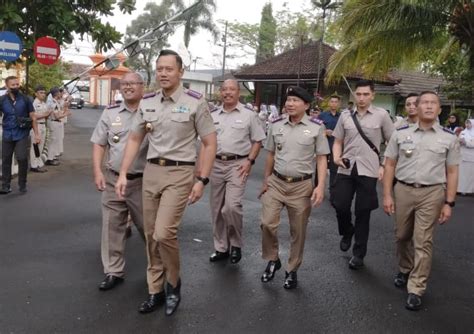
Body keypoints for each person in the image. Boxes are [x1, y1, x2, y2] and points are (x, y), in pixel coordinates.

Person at [115, 49, 217, 316]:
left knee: (164, 233)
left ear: (180, 71)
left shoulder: (196, 102)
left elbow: (209, 143)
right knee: (150, 235)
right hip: (151, 172)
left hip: (180, 173)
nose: (163, 73)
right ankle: (155, 290)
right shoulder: (148, 102)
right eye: (159, 68)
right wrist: (124, 173)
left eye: (168, 69)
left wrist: (202, 179)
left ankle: (173, 283)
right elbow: (135, 139)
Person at [383, 91, 460, 311]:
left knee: (423, 240)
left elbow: (452, 172)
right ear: (416, 107)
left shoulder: (448, 138)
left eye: (432, 103)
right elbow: (389, 165)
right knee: (401, 235)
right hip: (404, 190)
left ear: (439, 109)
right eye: (423, 102)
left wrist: (449, 202)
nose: (427, 106)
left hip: (432, 193)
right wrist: (387, 195)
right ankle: (405, 267)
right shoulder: (401, 133)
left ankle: (416, 287)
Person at [258, 86, 330, 289]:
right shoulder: (276, 124)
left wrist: (320, 186)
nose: (290, 104)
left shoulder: (317, 127)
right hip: (276, 182)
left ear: (306, 105)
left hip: (301, 187)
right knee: (266, 223)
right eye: (288, 100)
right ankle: (273, 259)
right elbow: (270, 154)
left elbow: (322, 159)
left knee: (298, 231)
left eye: (295, 101)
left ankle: (292, 269)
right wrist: (266, 180)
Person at [91, 72, 147, 291]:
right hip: (113, 179)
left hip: (143, 182)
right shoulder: (110, 112)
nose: (128, 87)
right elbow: (99, 143)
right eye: (124, 84)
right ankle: (114, 271)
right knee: (112, 227)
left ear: (143, 86)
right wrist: (97, 172)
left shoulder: (152, 111)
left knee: (149, 229)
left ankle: (158, 268)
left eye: (133, 84)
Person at [331, 80, 394, 269]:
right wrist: (336, 157)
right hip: (346, 167)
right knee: (339, 204)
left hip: (369, 169)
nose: (361, 98)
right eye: (358, 94)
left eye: (366, 94)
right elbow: (337, 141)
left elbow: (393, 143)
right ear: (354, 96)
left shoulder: (382, 116)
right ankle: (347, 231)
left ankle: (359, 254)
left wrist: (383, 164)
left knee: (363, 212)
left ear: (372, 95)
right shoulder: (345, 116)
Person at [205, 79, 266, 264]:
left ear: (238, 92)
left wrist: (249, 161)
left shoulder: (249, 115)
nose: (227, 92)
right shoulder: (212, 114)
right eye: (224, 89)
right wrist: (202, 168)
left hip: (238, 164)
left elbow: (258, 140)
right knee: (216, 209)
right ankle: (221, 247)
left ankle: (236, 244)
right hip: (216, 164)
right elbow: (206, 142)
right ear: (220, 93)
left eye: (232, 89)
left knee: (232, 206)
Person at [0, 76, 40, 194]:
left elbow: (33, 116)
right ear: (7, 86)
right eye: (13, 85)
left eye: (17, 84)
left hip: (22, 133)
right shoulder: (2, 100)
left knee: (22, 158)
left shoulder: (26, 99)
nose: (16, 87)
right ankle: (6, 185)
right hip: (7, 133)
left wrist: (37, 134)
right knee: (6, 159)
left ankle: (22, 183)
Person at [317, 94, 341, 197]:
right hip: (323, 145)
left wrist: (334, 133)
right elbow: (316, 129)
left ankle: (333, 192)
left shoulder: (341, 117)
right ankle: (317, 188)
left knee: (334, 169)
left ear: (339, 104)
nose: (333, 104)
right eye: (332, 101)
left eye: (336, 102)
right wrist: (324, 131)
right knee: (320, 166)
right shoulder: (322, 115)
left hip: (335, 146)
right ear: (329, 103)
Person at [45, 88, 69, 166]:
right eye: (59, 93)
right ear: (56, 94)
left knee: (56, 141)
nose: (60, 94)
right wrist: (66, 114)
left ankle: (53, 156)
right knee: (53, 141)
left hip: (56, 123)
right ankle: (50, 158)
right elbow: (56, 116)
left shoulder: (55, 102)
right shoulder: (53, 103)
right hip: (54, 123)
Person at [30, 86, 51, 173]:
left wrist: (47, 114)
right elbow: (33, 116)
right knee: (35, 147)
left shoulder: (44, 104)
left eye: (44, 93)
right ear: (36, 94)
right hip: (36, 126)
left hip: (43, 125)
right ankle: (34, 165)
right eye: (41, 93)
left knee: (41, 147)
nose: (43, 94)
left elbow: (46, 116)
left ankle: (39, 163)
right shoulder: (34, 104)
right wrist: (45, 114)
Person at [458, 119, 474, 195]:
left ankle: (470, 190)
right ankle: (462, 190)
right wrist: (459, 141)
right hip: (462, 155)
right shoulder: (463, 132)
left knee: (470, 175)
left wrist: (466, 142)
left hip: (471, 157)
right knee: (462, 175)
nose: (467, 125)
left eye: (469, 123)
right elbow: (457, 140)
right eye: (466, 123)